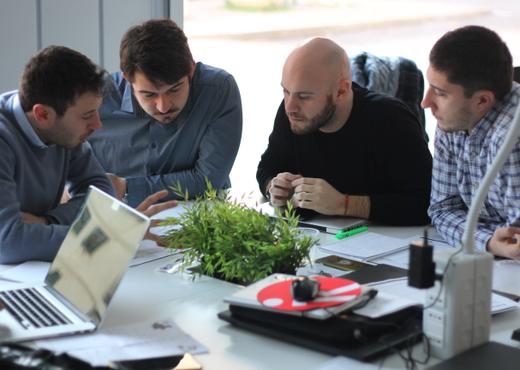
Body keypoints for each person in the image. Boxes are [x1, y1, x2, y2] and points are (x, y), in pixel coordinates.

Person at [0, 46, 176, 264]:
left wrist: (48, 221)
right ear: (43, 114)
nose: (97, 125)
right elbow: (8, 243)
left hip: (35, 268)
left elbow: (102, 191)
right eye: (87, 116)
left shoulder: (63, 132)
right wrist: (110, 236)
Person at [256, 37, 432, 226]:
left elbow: (426, 203)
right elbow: (266, 168)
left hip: (381, 244)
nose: (290, 106)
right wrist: (274, 188)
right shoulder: (293, 112)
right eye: (286, 91)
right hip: (317, 238)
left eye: (304, 96)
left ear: (341, 90)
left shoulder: (391, 120)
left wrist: (345, 204)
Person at [88, 19, 243, 207]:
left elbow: (208, 180)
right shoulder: (93, 100)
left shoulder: (217, 89)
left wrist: (127, 187)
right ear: (127, 79)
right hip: (115, 218)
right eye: (149, 94)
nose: (163, 107)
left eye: (174, 89)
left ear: (191, 69)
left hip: (202, 213)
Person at [424, 25, 520, 259]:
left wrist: (494, 242)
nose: (426, 103)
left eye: (440, 93)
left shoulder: (512, 138)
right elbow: (441, 209)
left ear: (482, 101)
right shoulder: (453, 118)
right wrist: (488, 242)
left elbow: (515, 240)